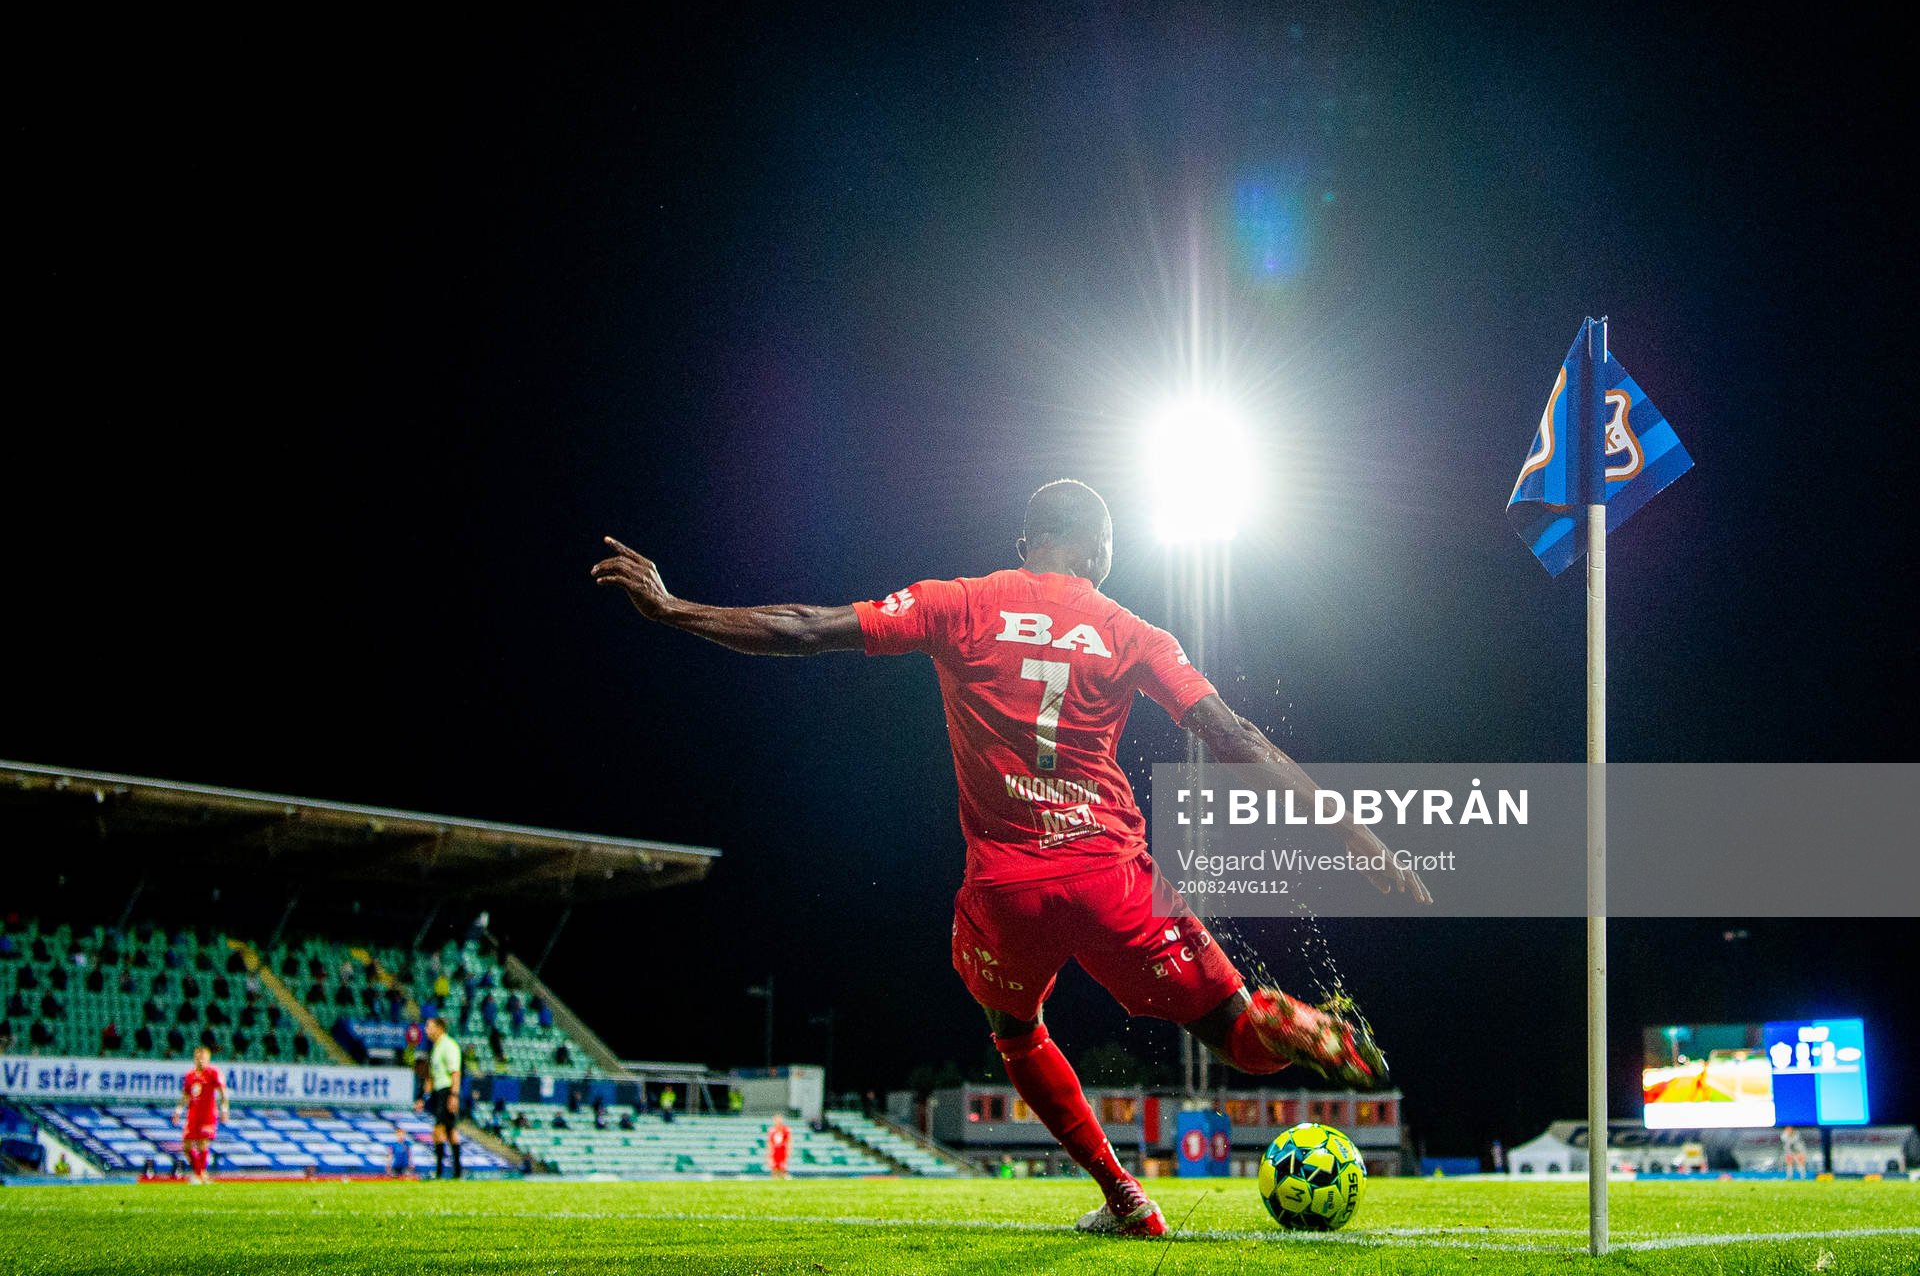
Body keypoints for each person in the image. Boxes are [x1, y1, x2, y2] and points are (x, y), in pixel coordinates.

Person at [592, 480, 1430, 1237]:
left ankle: (1124, 1199)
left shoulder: (962, 602)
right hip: (1113, 879)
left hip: (1007, 892)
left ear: (1024, 540)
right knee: (1237, 1038)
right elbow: (1233, 735)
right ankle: (1278, 1024)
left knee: (1018, 1031)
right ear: (1101, 553)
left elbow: (806, 629)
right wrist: (1356, 833)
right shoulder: (1131, 630)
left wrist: (674, 609)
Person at [412, 1016, 463, 1179]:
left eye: (429, 1026)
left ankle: (441, 1172)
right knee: (450, 1130)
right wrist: (422, 1097)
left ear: (439, 1028)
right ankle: (456, 1172)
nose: (427, 1030)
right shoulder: (436, 1048)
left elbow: (455, 1072)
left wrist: (453, 1095)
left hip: (447, 1091)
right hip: (439, 1092)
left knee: (439, 1130)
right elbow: (431, 1078)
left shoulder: (449, 1046)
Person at [172, 1044, 229, 1184]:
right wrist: (178, 1111)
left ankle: (201, 1175)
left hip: (207, 1113)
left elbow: (223, 1093)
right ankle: (200, 1174)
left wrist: (224, 1110)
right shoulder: (190, 1075)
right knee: (186, 1146)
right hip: (193, 1114)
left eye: (203, 1058)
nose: (200, 1060)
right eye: (198, 1058)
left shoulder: (213, 1073)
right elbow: (186, 1095)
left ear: (208, 1059)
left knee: (203, 1143)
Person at [767, 1114, 792, 1180]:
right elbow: (770, 1142)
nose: (778, 1121)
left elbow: (789, 1141)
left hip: (782, 1150)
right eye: (776, 1120)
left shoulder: (785, 1130)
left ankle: (783, 1177)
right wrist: (769, 1152)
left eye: (779, 1119)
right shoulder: (772, 1130)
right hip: (775, 1150)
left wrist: (789, 1150)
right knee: (774, 1167)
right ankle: (775, 1178)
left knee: (782, 1167)